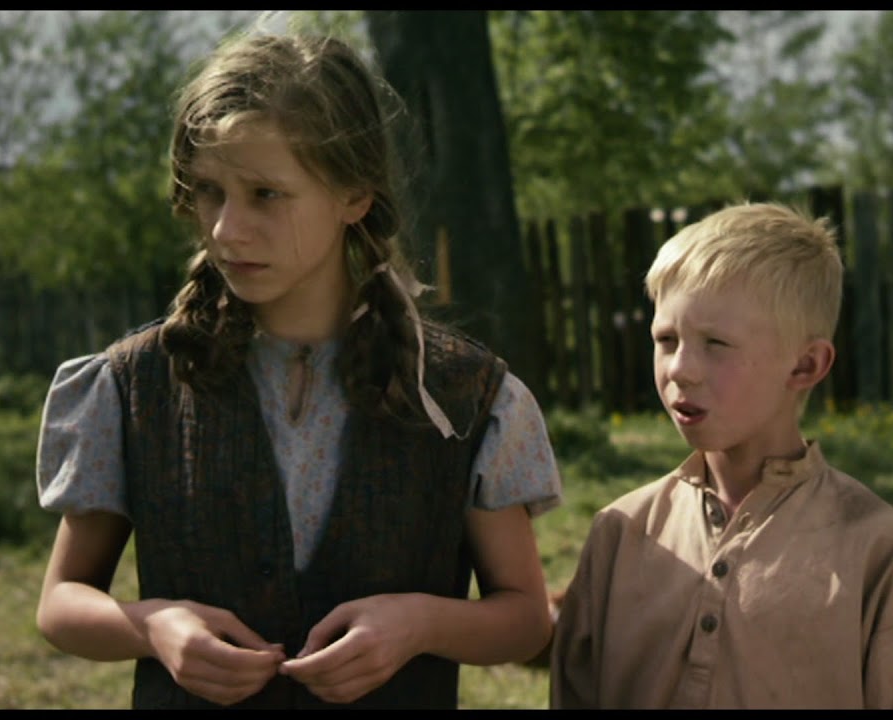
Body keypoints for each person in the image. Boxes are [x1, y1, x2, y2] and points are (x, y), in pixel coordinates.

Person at [33, 27, 562, 709]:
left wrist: (421, 623)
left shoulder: (464, 397)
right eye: (209, 191)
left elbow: (525, 619)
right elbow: (62, 602)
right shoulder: (134, 386)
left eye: (265, 194)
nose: (226, 228)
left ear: (354, 196)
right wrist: (153, 625)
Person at [549, 201, 893, 709]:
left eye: (716, 344)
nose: (680, 369)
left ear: (805, 365)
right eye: (666, 339)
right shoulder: (621, 532)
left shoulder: (872, 544)